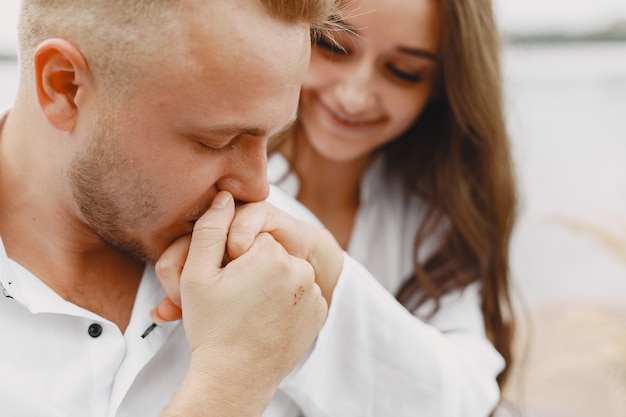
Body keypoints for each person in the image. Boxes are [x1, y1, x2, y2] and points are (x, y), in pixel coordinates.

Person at [0, 0, 346, 416]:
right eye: (215, 142)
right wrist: (230, 385)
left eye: (270, 139)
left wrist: (333, 275)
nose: (259, 187)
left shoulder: (282, 249)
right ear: (65, 87)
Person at [267, 0, 517, 412]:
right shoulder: (221, 181)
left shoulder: (431, 216)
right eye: (334, 46)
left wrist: (330, 273)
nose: (354, 96)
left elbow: (466, 396)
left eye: (403, 72)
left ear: (440, 86)